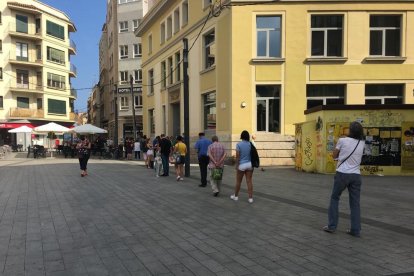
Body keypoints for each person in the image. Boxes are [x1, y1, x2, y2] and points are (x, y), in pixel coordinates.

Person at [323, 121, 365, 237]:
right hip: (356, 176)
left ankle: (331, 226)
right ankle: (355, 230)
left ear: (350, 131)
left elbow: (334, 155)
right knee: (355, 203)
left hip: (342, 174)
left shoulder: (342, 140)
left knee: (335, 198)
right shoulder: (362, 143)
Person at [230, 130, 254, 203]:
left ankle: (236, 196)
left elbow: (238, 156)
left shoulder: (239, 144)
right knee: (249, 181)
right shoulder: (250, 144)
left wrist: (236, 165)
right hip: (250, 164)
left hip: (242, 165)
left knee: (238, 181)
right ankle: (250, 198)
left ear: (241, 136)